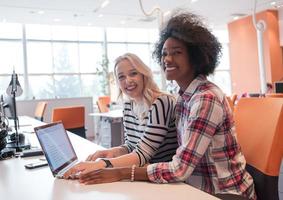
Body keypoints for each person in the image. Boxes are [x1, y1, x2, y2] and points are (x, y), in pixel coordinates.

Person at [75, 12, 257, 200]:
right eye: (164, 54)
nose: (167, 59)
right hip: (192, 186)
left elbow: (179, 168)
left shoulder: (205, 99)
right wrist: (112, 160)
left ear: (195, 56)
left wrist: (120, 171)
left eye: (176, 52)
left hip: (223, 192)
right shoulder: (182, 98)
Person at [63, 53, 178, 177]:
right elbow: (131, 146)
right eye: (121, 77)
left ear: (143, 74)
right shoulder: (128, 106)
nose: (128, 81)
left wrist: (102, 164)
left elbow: (143, 153)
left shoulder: (161, 102)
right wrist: (111, 152)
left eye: (133, 73)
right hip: (142, 173)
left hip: (162, 177)